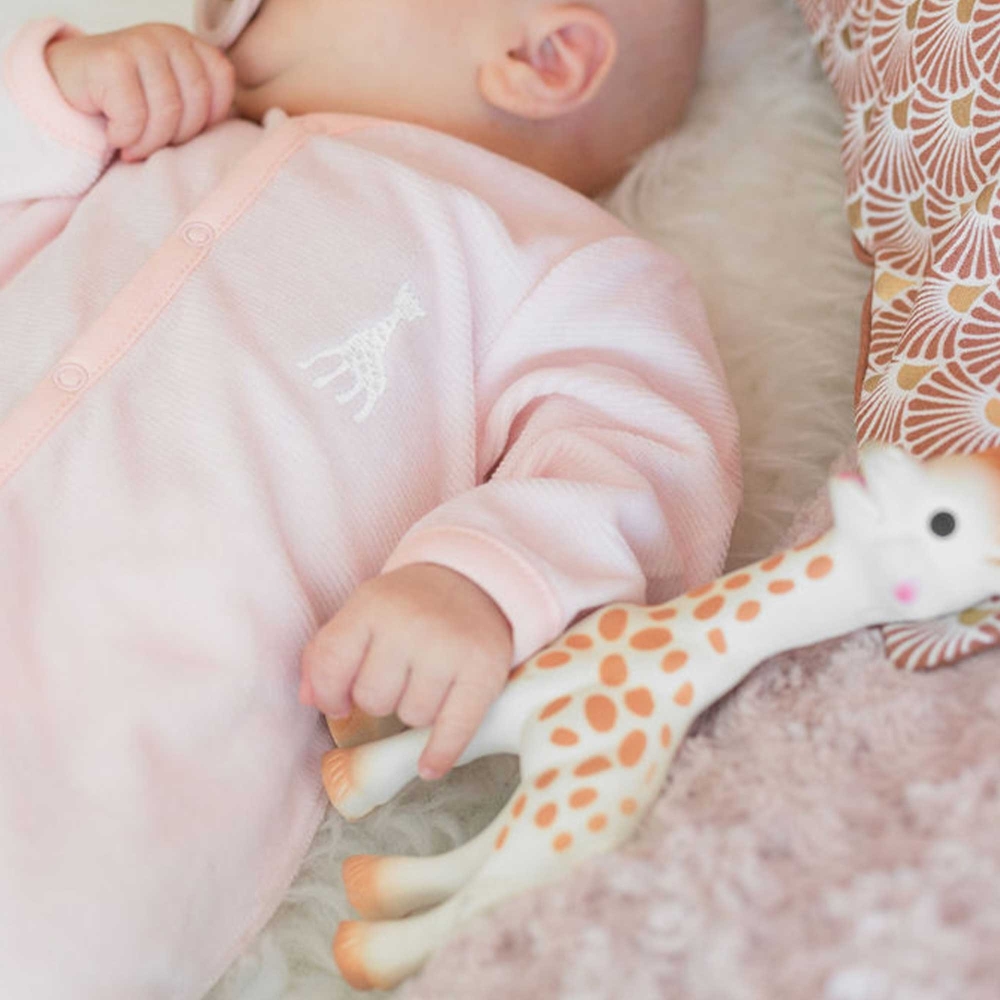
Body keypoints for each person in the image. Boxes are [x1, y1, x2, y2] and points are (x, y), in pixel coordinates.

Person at [0, 0, 739, 995]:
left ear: (540, 56)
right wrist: (59, 97)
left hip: (117, 712)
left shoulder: (557, 257)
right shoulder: (160, 137)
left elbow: (643, 451)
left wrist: (477, 581)